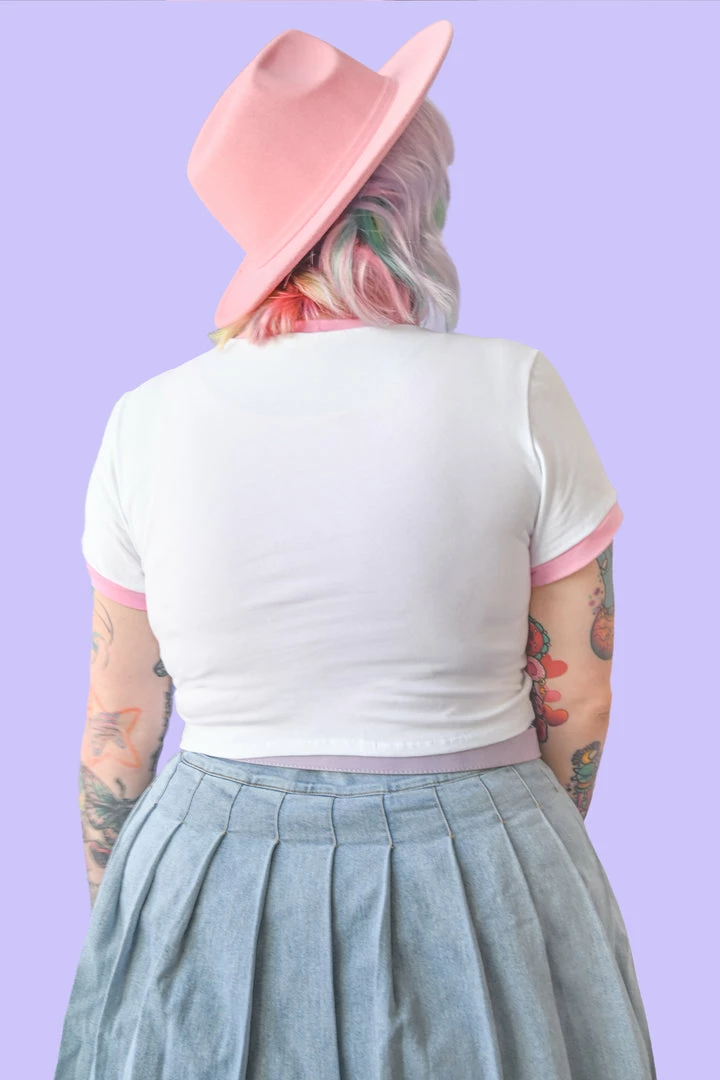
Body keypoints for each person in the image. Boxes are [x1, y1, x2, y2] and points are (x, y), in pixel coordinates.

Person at [53, 20, 657, 1080]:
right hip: (482, 849)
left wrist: (139, 920)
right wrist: (519, 858)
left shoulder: (142, 423)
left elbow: (118, 730)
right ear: (407, 200)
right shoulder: (517, 387)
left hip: (206, 863)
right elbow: (582, 696)